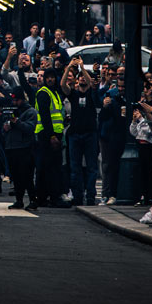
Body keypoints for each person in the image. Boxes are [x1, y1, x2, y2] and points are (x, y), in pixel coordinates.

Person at [64, 68, 100, 205]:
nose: (82, 79)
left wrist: (82, 67)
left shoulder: (92, 93)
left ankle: (90, 196)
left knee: (91, 167)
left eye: (84, 77)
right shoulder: (73, 94)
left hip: (90, 133)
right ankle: (77, 196)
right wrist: (68, 69)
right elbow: (63, 85)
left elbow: (91, 83)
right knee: (75, 167)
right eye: (80, 77)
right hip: (75, 134)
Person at [32, 67, 67, 207]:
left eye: (52, 77)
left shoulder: (55, 93)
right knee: (47, 168)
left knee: (52, 167)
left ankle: (47, 196)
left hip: (55, 134)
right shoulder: (43, 93)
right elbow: (46, 116)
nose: (50, 80)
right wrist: (52, 136)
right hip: (46, 135)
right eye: (48, 77)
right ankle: (48, 197)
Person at [3, 93, 38, 209]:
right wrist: (6, 127)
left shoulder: (30, 112)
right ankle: (19, 200)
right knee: (16, 176)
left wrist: (16, 122)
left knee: (27, 176)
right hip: (12, 147)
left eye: (17, 101)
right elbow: (3, 127)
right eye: (13, 101)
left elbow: (30, 128)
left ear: (22, 100)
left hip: (25, 148)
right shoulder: (11, 111)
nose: (15, 103)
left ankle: (33, 200)